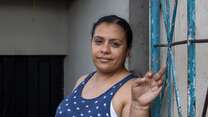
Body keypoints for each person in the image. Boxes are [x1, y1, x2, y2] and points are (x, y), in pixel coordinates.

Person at [55, 15, 166, 117]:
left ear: (128, 50)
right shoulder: (82, 80)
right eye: (99, 41)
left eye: (115, 44)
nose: (105, 50)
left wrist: (139, 107)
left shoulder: (131, 89)